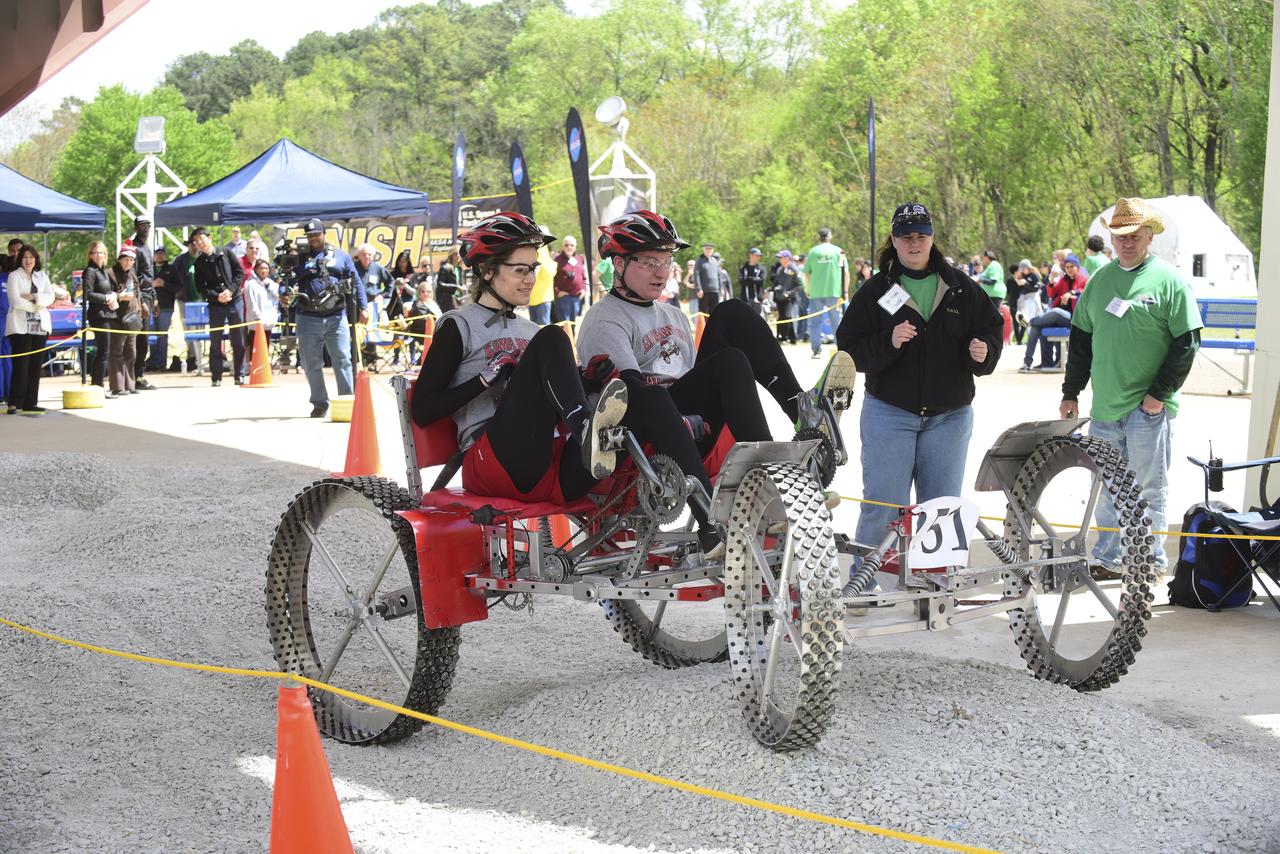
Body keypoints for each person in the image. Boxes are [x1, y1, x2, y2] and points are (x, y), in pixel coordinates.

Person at [578, 210, 854, 554]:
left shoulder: (673, 314)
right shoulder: (604, 319)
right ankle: (711, 520)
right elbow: (627, 395)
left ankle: (805, 414)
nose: (661, 272)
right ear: (618, 264)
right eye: (649, 262)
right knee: (717, 367)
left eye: (666, 261)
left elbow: (696, 379)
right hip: (643, 429)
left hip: (689, 425)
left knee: (733, 313)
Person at [837, 202, 1003, 593]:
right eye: (905, 235)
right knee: (883, 502)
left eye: (921, 235)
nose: (914, 243)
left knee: (941, 504)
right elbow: (848, 349)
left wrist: (985, 351)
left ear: (932, 239)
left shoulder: (962, 286)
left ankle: (936, 580)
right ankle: (868, 579)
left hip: (950, 415)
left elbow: (992, 331)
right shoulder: (876, 291)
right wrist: (887, 342)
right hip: (889, 413)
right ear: (893, 241)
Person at [410, 211, 630, 505]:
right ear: (487, 271)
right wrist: (483, 380)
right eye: (520, 271)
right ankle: (586, 432)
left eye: (533, 268)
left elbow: (544, 402)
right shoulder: (458, 325)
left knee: (636, 402)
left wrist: (588, 381)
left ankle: (699, 515)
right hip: (490, 461)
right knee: (553, 336)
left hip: (542, 461)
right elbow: (423, 410)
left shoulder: (529, 329)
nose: (531, 279)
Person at [1059, 197, 1203, 578]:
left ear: (1150, 237)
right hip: (1105, 408)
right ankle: (1107, 559)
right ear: (1111, 237)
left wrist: (1159, 394)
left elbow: (1187, 343)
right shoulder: (1100, 281)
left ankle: (1149, 561)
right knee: (1106, 486)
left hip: (1148, 408)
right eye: (1121, 235)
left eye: (1135, 236)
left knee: (1148, 488)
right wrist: (1071, 392)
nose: (1127, 243)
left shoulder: (1169, 281)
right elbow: (1082, 340)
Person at [294, 218, 365, 417]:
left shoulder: (341, 256)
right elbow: (286, 280)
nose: (313, 238)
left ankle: (347, 400)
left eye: (316, 234)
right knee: (310, 362)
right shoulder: (298, 258)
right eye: (309, 235)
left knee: (343, 358)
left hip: (336, 316)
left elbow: (356, 281)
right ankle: (319, 403)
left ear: (324, 233)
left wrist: (364, 306)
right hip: (307, 317)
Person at [192, 228, 247, 387]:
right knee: (215, 341)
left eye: (202, 239)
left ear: (209, 238)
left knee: (238, 340)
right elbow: (201, 287)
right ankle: (216, 376)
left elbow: (239, 274)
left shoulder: (226, 253)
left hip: (234, 301)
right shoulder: (199, 263)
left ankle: (239, 374)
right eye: (197, 241)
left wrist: (230, 290)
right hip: (216, 305)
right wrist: (217, 296)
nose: (200, 243)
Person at [4, 245, 54, 414]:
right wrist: (36, 307)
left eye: (31, 257)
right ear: (20, 259)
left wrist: (35, 297)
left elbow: (50, 297)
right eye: (25, 257)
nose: (28, 260)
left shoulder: (42, 276)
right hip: (20, 327)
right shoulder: (14, 276)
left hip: (40, 327)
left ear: (35, 259)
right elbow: (15, 301)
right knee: (21, 366)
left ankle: (30, 402)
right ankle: (14, 402)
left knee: (35, 366)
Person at [1020, 254, 1088, 372]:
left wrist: (1072, 293)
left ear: (1077, 267)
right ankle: (1030, 363)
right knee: (1038, 327)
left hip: (1074, 318)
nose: (1070, 269)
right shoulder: (1064, 279)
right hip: (1059, 316)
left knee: (1055, 311)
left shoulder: (1084, 278)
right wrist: (1051, 280)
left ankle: (1029, 322)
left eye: (1072, 266)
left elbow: (1085, 291)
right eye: (1067, 267)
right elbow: (1052, 293)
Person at [804, 227, 849, 360]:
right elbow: (845, 272)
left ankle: (816, 351)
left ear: (819, 237)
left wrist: (808, 290)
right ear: (830, 236)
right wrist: (845, 291)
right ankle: (840, 349)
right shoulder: (838, 251)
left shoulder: (813, 252)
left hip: (816, 292)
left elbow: (807, 274)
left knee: (815, 323)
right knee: (837, 322)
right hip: (834, 291)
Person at [127, 216, 158, 390]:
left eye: (147, 226)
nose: (145, 229)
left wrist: (154, 298)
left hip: (148, 295)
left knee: (144, 338)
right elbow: (134, 277)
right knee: (139, 337)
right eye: (142, 226)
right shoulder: (133, 247)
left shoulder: (146, 247)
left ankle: (139, 373)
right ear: (136, 227)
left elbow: (149, 275)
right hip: (139, 298)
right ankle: (136, 375)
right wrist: (142, 302)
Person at [106, 244, 140, 397]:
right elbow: (106, 293)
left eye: (131, 260)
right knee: (116, 352)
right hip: (117, 318)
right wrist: (120, 296)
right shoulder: (110, 273)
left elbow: (137, 293)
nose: (128, 263)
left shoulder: (132, 274)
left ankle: (130, 384)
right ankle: (118, 386)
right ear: (119, 259)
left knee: (131, 352)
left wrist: (141, 307)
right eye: (125, 259)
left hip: (132, 318)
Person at [83, 242, 115, 389]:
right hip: (98, 315)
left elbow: (106, 291)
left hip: (107, 313)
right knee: (103, 351)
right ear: (90, 254)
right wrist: (106, 298)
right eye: (95, 252)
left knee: (103, 351)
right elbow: (88, 294)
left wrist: (113, 297)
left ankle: (97, 383)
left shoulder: (103, 271)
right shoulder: (90, 271)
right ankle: (99, 385)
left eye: (101, 252)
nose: (99, 255)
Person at [244, 257, 280, 369]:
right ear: (256, 270)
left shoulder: (271, 283)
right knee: (255, 344)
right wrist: (257, 317)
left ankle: (264, 366)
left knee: (266, 344)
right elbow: (251, 302)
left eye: (266, 268)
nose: (264, 271)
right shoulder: (250, 284)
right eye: (261, 268)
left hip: (269, 320)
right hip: (256, 322)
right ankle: (253, 366)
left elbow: (277, 297)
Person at [146, 246, 175, 372]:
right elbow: (141, 284)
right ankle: (152, 362)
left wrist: (164, 284)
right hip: (150, 307)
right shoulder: (148, 269)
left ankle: (162, 363)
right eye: (157, 253)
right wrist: (152, 284)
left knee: (162, 336)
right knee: (151, 335)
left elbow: (178, 287)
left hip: (166, 307)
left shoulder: (171, 269)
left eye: (162, 253)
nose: (159, 256)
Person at [551, 235, 587, 324]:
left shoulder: (579, 259)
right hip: (563, 299)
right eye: (566, 245)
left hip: (577, 298)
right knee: (564, 326)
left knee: (573, 325)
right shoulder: (557, 260)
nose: (569, 247)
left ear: (575, 247)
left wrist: (584, 290)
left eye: (571, 245)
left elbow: (583, 277)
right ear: (563, 246)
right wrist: (557, 292)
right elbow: (551, 279)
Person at [770, 250, 802, 344]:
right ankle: (792, 338)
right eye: (779, 258)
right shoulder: (780, 269)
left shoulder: (794, 269)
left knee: (786, 316)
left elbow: (800, 285)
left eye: (782, 257)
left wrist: (788, 293)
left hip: (790, 298)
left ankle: (783, 338)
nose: (780, 259)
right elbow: (777, 282)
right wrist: (775, 288)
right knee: (785, 317)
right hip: (780, 298)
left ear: (788, 258)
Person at [1010, 258, 1043, 347]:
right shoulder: (1024, 276)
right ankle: (1030, 338)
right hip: (1026, 301)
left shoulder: (1034, 275)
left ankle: (1036, 338)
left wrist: (1026, 284)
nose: (1022, 270)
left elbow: (1035, 288)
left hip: (1032, 300)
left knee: (1033, 318)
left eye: (1023, 268)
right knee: (1026, 319)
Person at [691, 242, 722, 312]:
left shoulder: (715, 261)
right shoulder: (699, 261)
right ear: (703, 250)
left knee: (715, 312)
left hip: (715, 291)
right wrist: (699, 289)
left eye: (710, 248)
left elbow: (719, 276)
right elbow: (696, 275)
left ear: (712, 250)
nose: (708, 250)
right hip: (704, 292)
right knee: (703, 313)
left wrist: (721, 289)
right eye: (706, 248)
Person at [738, 247, 768, 315]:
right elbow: (741, 281)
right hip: (745, 298)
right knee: (746, 318)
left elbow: (761, 281)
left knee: (758, 319)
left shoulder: (761, 268)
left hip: (757, 298)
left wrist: (749, 279)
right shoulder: (743, 268)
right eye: (756, 255)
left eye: (759, 256)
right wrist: (754, 280)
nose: (758, 258)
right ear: (750, 255)